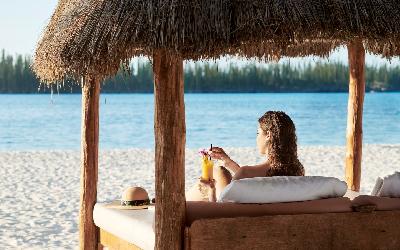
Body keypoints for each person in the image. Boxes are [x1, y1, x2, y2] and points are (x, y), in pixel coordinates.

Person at [192, 111, 305, 202]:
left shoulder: (246, 172)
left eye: (258, 133)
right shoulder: (298, 172)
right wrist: (228, 161)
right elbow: (255, 179)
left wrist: (211, 189)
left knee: (218, 171)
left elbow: (219, 213)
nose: (256, 138)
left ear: (268, 135)